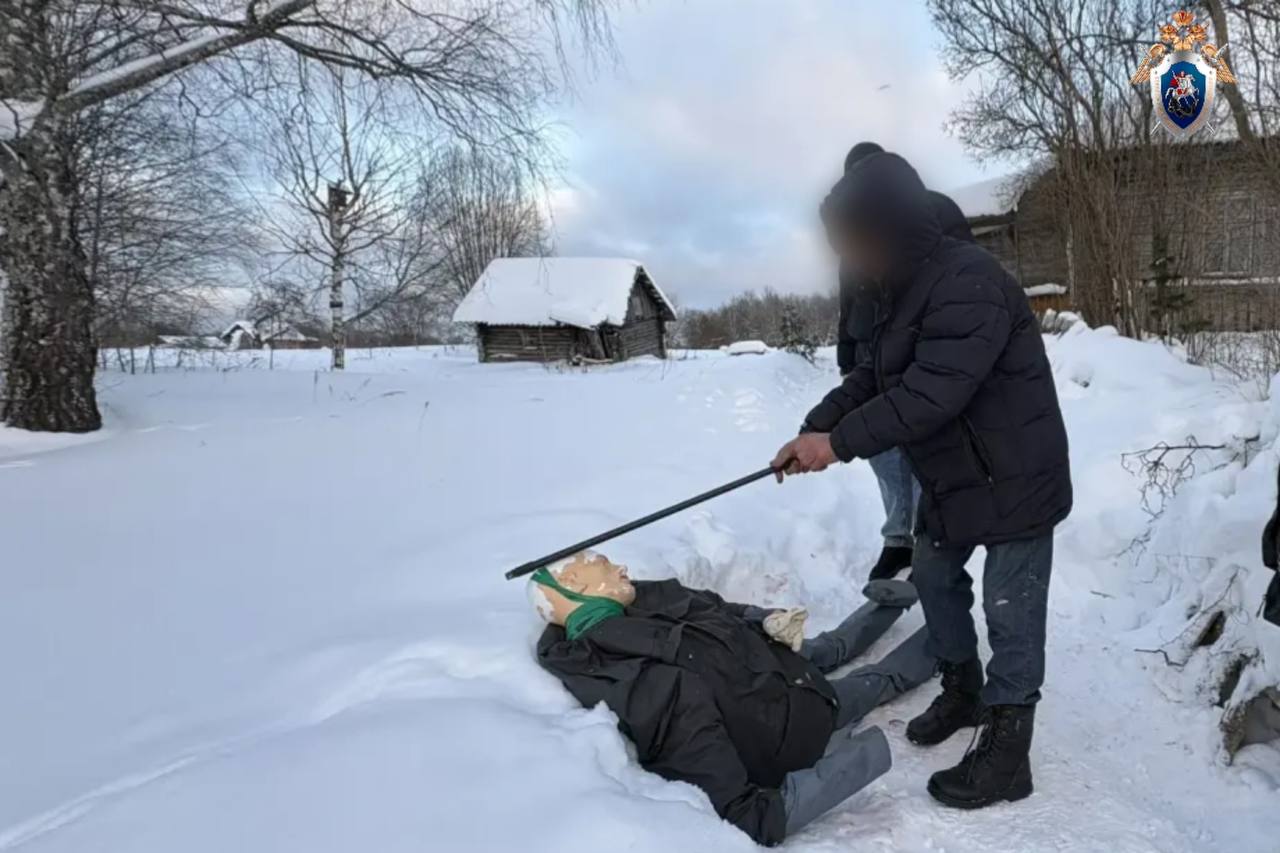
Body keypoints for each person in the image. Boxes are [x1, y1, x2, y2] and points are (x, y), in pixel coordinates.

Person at [772, 150, 1072, 810]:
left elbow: (932, 393)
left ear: (893, 225)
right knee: (934, 577)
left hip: (1016, 470)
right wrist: (814, 428)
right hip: (956, 475)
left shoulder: (970, 280)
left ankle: (1008, 748)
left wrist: (839, 443)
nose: (847, 255)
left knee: (1010, 609)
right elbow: (873, 376)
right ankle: (963, 688)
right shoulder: (894, 288)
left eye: (854, 239)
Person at [531, 550, 936, 846]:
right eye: (604, 564)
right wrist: (854, 763)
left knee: (827, 649)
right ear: (578, 588)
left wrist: (765, 619)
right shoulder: (634, 676)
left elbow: (714, 606)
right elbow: (745, 814)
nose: (621, 567)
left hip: (772, 667)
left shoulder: (640, 598)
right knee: (872, 681)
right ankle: (947, 641)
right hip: (794, 723)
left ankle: (902, 599)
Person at [832, 141, 976, 582]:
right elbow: (849, 300)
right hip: (868, 354)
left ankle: (927, 538)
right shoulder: (853, 227)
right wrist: (846, 355)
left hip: (915, 350)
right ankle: (898, 539)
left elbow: (961, 279)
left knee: (919, 447)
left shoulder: (933, 213)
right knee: (881, 453)